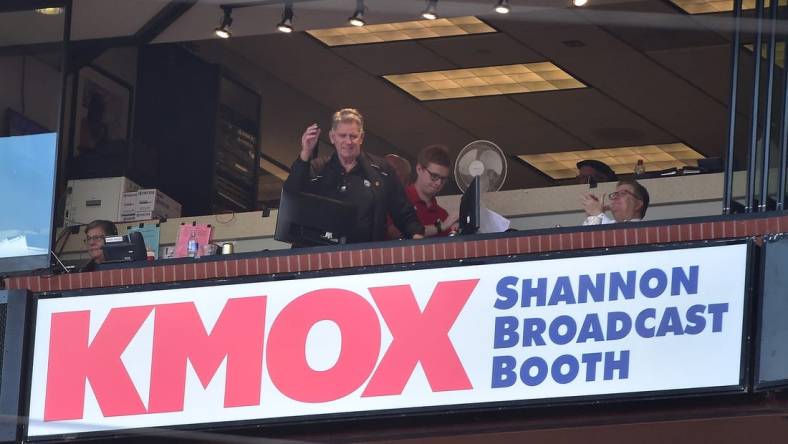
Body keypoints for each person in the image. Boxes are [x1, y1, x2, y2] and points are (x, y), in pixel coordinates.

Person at [284, 108, 424, 243]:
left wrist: (417, 237)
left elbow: (404, 213)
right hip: (324, 255)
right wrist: (306, 152)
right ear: (332, 137)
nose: (348, 142)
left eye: (353, 136)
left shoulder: (382, 170)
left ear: (361, 137)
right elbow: (292, 195)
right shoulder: (318, 168)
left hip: (368, 255)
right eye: (342, 136)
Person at [390, 145, 459, 238]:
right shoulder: (398, 198)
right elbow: (395, 232)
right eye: (434, 176)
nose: (438, 183)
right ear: (419, 169)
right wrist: (441, 227)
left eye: (443, 179)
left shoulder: (443, 215)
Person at [581, 180, 649, 225]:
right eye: (615, 194)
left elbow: (617, 235)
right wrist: (592, 217)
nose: (615, 197)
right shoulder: (609, 223)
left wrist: (597, 214)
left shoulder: (644, 230)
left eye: (623, 193)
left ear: (638, 204)